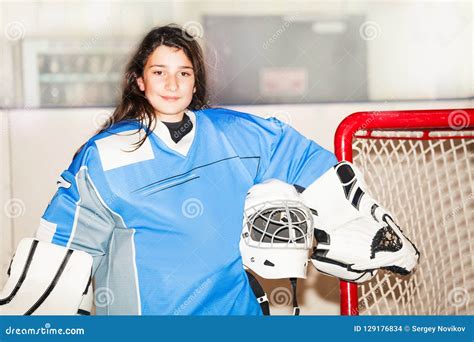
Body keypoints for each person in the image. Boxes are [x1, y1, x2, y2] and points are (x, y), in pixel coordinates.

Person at [28, 24, 418, 316]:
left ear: (195, 82)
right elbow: (59, 257)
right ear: (139, 81)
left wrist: (366, 227)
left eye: (183, 73)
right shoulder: (103, 156)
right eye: (159, 72)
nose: (172, 83)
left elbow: (317, 168)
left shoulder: (239, 135)